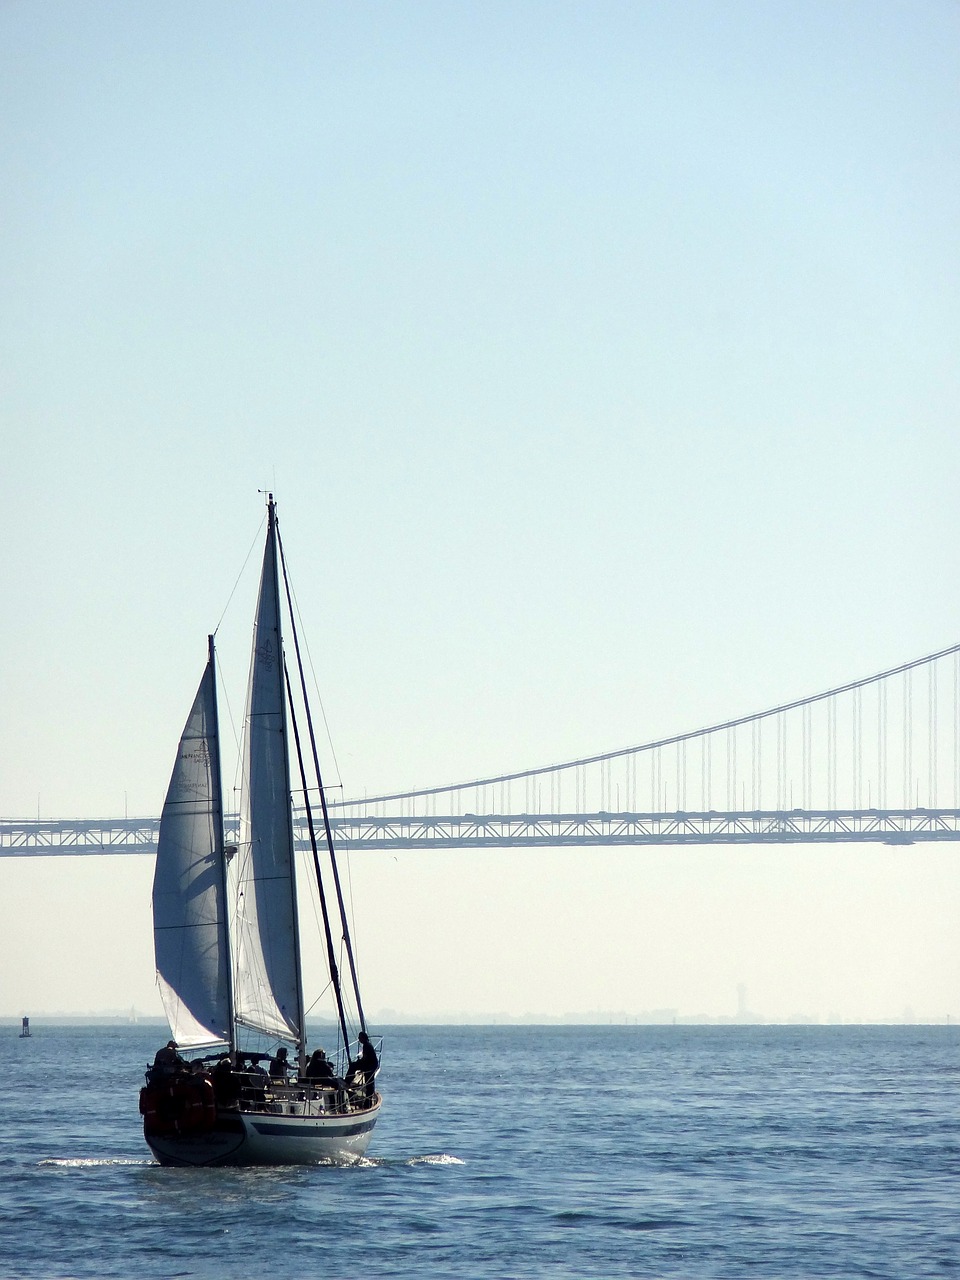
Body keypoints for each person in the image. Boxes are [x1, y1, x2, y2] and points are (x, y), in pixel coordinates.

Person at [347, 1032, 379, 1103]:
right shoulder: (367, 1045)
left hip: (370, 1066)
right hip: (370, 1064)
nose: (358, 1039)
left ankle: (348, 1081)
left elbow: (365, 1058)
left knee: (353, 1066)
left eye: (359, 1037)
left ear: (363, 1038)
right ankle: (368, 1100)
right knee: (369, 1084)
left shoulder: (367, 1046)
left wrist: (358, 1062)